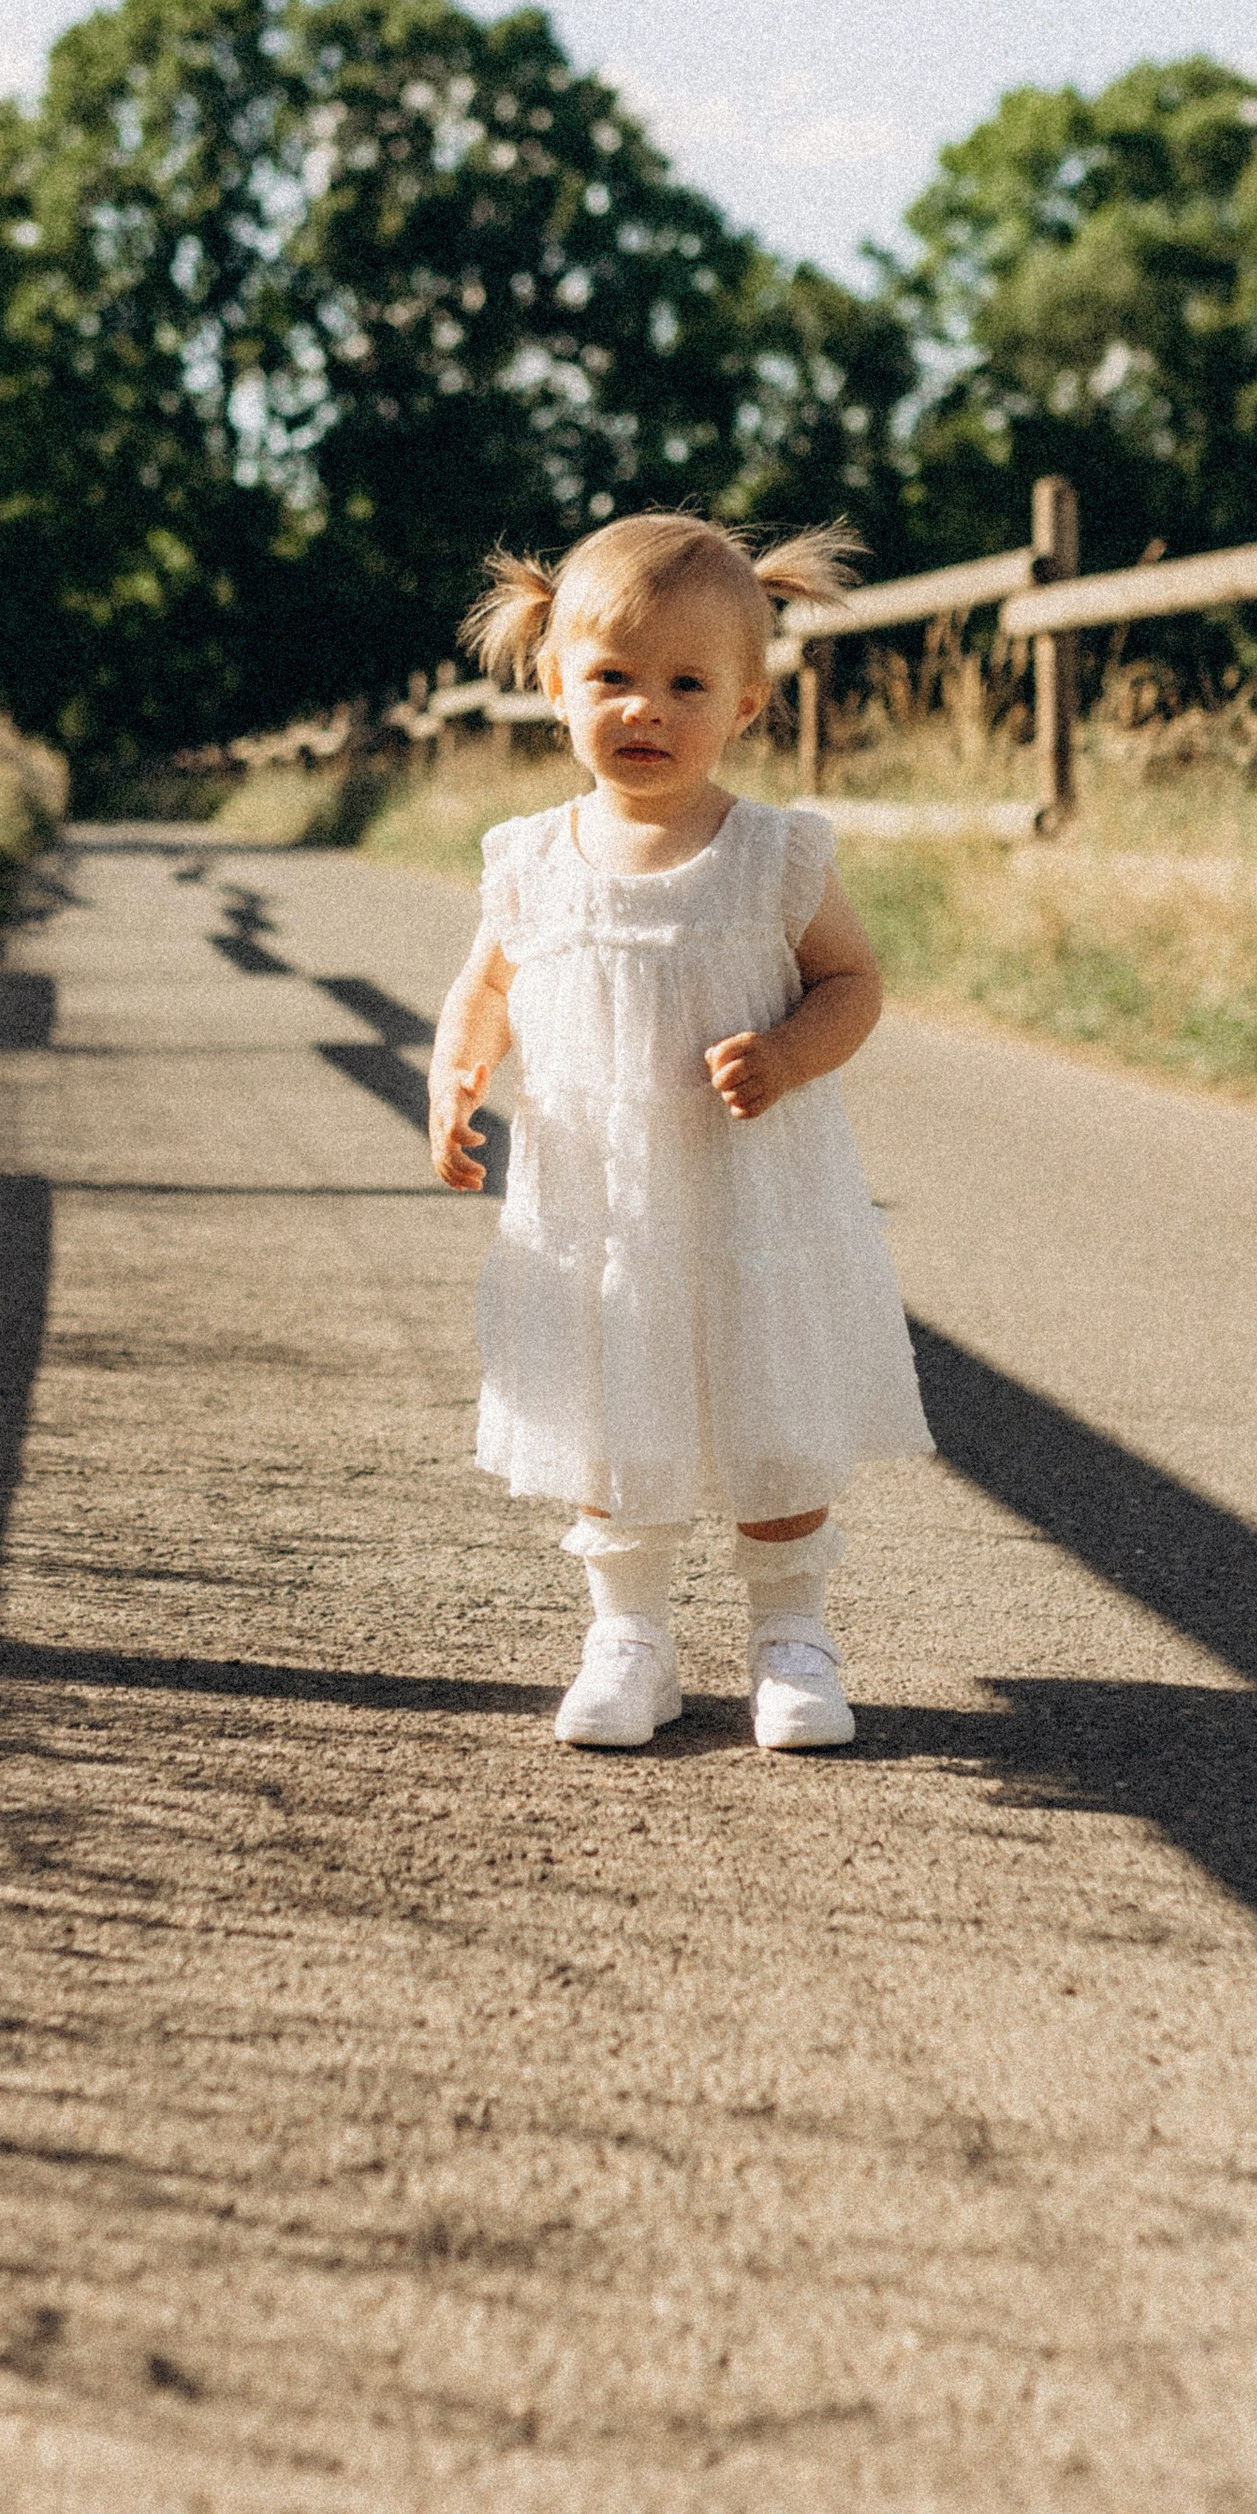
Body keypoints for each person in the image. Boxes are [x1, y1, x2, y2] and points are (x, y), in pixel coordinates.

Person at [426, 511, 929, 1753]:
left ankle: (791, 1638)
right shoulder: (532, 860)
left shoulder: (771, 855)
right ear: (555, 686)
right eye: (611, 679)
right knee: (610, 1402)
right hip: (602, 1206)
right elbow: (485, 988)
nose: (643, 710)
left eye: (685, 684)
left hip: (754, 1202)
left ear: (748, 703)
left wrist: (788, 1052)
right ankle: (630, 1636)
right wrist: (455, 1078)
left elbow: (852, 982)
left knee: (772, 1412)